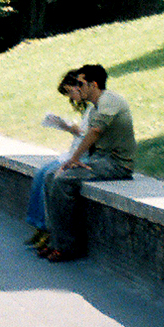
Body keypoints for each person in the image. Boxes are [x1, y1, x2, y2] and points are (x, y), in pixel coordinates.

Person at [39, 64, 136, 262]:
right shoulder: (94, 108)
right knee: (50, 176)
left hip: (116, 164)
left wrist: (75, 160)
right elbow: (89, 138)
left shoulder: (110, 100)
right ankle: (55, 241)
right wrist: (74, 161)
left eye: (80, 83)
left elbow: (95, 132)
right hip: (98, 160)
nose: (77, 87)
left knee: (61, 180)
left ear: (94, 84)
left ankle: (68, 247)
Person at [24, 70, 88, 251]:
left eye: (71, 92)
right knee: (40, 174)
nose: (72, 98)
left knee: (49, 176)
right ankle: (39, 225)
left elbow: (93, 136)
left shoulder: (96, 107)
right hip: (72, 153)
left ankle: (48, 229)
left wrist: (74, 130)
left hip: (81, 156)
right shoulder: (87, 108)